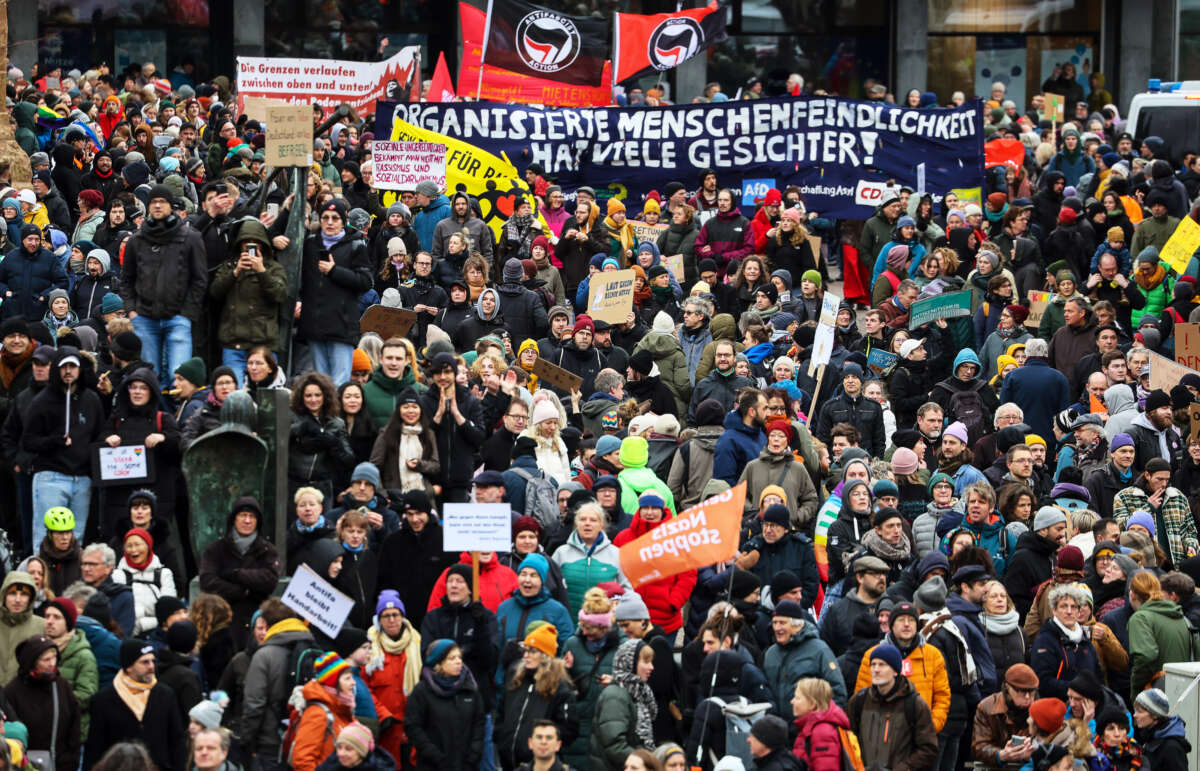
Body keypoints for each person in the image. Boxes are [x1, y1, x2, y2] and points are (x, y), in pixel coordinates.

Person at [118, 186, 207, 379]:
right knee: (150, 377)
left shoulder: (190, 238)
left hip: (178, 317)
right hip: (144, 318)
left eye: (163, 201)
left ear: (171, 206)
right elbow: (126, 279)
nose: (158, 205)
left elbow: (199, 279)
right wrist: (132, 310)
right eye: (153, 202)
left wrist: (187, 313)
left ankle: (177, 410)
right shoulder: (136, 240)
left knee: (178, 377)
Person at [85, 638, 187, 771]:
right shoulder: (104, 699)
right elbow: (94, 748)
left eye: (152, 661)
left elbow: (176, 741)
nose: (151, 666)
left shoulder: (165, 695)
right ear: (128, 667)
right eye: (144, 662)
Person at [300, 200, 373, 385]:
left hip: (342, 325)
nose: (330, 222)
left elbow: (366, 282)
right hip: (314, 324)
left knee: (340, 382)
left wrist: (334, 271)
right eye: (325, 218)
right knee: (319, 381)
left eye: (335, 218)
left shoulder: (356, 245)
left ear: (343, 221)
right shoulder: (310, 245)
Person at [241, 598, 317, 766]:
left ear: (268, 624)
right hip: (306, 739)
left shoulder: (264, 655)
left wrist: (246, 742)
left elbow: (254, 705)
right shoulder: (311, 648)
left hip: (270, 743)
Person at [197, 496, 281, 649]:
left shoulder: (268, 550)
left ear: (258, 521)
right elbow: (207, 581)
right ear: (234, 519)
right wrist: (240, 591)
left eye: (252, 516)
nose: (247, 521)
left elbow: (270, 580)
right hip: (221, 623)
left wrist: (237, 574)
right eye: (243, 515)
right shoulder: (216, 549)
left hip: (256, 622)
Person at [497, 624, 579, 770]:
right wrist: (501, 738)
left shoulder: (560, 688)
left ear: (545, 656)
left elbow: (569, 729)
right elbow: (501, 713)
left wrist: (543, 747)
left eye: (533, 651)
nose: (526, 656)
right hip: (507, 761)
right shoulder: (515, 678)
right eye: (525, 650)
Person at [846, 643, 938, 771]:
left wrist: (904, 768)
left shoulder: (914, 704)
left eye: (882, 665)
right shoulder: (858, 701)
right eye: (873, 664)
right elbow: (848, 741)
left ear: (895, 671)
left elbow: (928, 748)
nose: (876, 669)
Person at [4, 633, 82, 771]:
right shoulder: (12, 691)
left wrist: (70, 760)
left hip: (61, 765)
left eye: (54, 657)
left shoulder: (61, 686)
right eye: (46, 659)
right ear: (31, 662)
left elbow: (74, 725)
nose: (52, 663)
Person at [405, 639, 486, 771]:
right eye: (452, 658)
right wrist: (435, 756)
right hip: (433, 764)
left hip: (466, 764)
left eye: (459, 657)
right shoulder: (422, 691)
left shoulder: (469, 688)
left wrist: (473, 754)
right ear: (438, 662)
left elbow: (479, 723)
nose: (459, 661)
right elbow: (413, 726)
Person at [589, 638, 656, 771]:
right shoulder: (616, 696)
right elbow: (614, 745)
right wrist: (646, 764)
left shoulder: (635, 692)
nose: (651, 667)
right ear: (629, 663)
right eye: (646, 662)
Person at [290, 652, 356, 771]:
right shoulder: (317, 713)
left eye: (352, 677)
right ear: (332, 683)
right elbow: (302, 760)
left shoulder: (342, 708)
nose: (353, 682)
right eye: (347, 678)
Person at [971, 662, 1039, 768]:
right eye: (1021, 691)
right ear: (1007, 687)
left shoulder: (1040, 709)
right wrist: (1001, 755)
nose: (1027, 697)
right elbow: (979, 747)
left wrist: (1032, 752)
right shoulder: (987, 707)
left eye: (1032, 692)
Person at [1133, 688, 1191, 771]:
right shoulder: (1150, 736)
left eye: (1140, 711)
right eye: (1135, 710)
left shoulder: (1172, 748)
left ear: (1155, 715)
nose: (1135, 715)